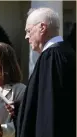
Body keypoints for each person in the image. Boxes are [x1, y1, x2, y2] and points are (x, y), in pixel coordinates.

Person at [16, 8, 76, 137]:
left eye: (28, 31)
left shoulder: (51, 57)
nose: (26, 36)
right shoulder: (66, 53)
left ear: (42, 28)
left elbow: (48, 111)